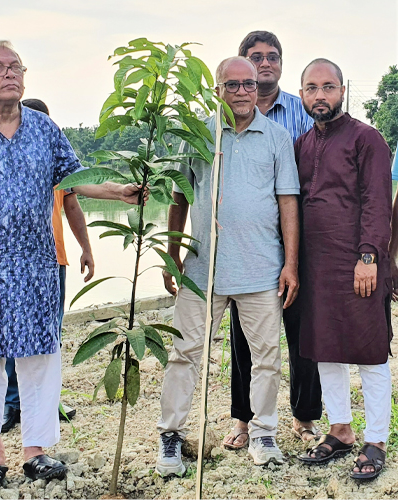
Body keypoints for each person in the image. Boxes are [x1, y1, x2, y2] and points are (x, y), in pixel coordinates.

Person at [0, 40, 147, 495]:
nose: (10, 73)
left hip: (35, 264)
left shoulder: (44, 129)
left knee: (40, 357)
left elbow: (75, 179)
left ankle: (36, 450)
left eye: (16, 67)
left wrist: (117, 190)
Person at [156, 56, 300, 476]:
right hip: (203, 272)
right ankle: (171, 435)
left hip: (260, 268)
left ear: (259, 88)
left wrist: (290, 262)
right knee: (184, 354)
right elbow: (180, 195)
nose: (241, 91)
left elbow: (287, 200)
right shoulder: (198, 134)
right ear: (217, 88)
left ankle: (263, 433)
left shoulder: (276, 137)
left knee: (267, 356)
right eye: (232, 84)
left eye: (249, 84)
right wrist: (173, 250)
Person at [295, 59, 393, 481]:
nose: (320, 95)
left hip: (359, 262)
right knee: (324, 348)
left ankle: (376, 438)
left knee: (370, 352)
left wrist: (369, 256)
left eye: (328, 87)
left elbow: (377, 202)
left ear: (342, 91)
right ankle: (340, 430)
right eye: (312, 88)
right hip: (315, 264)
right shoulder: (301, 143)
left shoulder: (366, 139)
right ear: (301, 94)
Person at [223, 31, 321, 450]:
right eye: (255, 57)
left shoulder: (301, 115)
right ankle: (243, 421)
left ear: (281, 65)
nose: (264, 65)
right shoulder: (223, 118)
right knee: (244, 338)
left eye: (272, 57)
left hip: (298, 239)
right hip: (246, 246)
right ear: (240, 65)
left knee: (302, 334)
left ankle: (303, 416)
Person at [1, 98, 93, 433]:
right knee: (13, 334)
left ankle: (48, 400)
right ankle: (13, 404)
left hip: (53, 259)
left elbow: (72, 205)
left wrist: (86, 248)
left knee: (49, 335)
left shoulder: (56, 160)